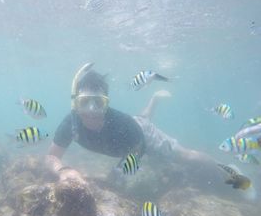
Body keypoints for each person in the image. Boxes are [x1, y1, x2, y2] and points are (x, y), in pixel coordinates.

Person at [45, 63, 210, 183]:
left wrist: (116, 175)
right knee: (142, 118)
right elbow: (51, 157)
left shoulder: (122, 124)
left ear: (106, 104)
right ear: (75, 103)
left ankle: (225, 171)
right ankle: (154, 100)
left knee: (186, 156)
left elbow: (137, 151)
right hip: (136, 125)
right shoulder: (71, 123)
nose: (91, 110)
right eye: (85, 102)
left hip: (143, 136)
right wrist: (62, 170)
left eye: (98, 103)